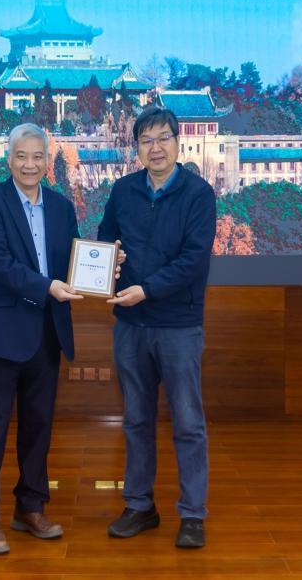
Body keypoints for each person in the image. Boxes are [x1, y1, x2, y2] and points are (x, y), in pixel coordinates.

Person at [99, 106, 217, 549]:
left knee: (188, 422)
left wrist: (146, 290)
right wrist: (109, 261)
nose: (156, 148)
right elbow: (105, 238)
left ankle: (192, 514)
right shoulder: (123, 190)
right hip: (130, 324)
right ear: (136, 148)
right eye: (146, 141)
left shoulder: (198, 194)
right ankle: (139, 506)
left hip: (178, 326)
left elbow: (193, 261)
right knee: (136, 419)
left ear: (178, 142)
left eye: (163, 138)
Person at [0, 122, 82, 555]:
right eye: (21, 156)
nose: (29, 165)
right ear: (8, 158)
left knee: (39, 427)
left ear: (47, 160)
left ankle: (30, 507)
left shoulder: (62, 207)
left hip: (46, 333)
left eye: (37, 156)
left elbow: (73, 260)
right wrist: (47, 286)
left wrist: (106, 265)